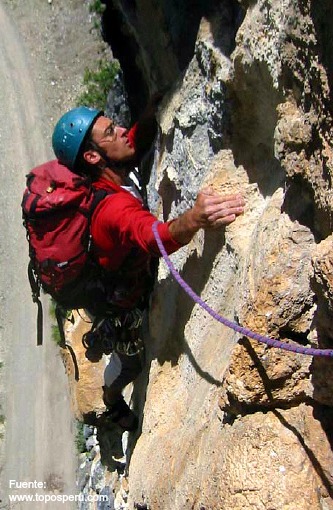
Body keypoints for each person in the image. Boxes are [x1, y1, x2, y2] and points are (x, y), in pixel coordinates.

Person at [52, 104, 245, 431]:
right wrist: (194, 219)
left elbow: (135, 140)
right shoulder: (112, 208)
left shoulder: (110, 173)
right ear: (93, 157)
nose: (123, 132)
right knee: (130, 364)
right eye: (111, 132)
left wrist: (155, 106)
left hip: (127, 271)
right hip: (121, 301)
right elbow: (153, 237)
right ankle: (111, 401)